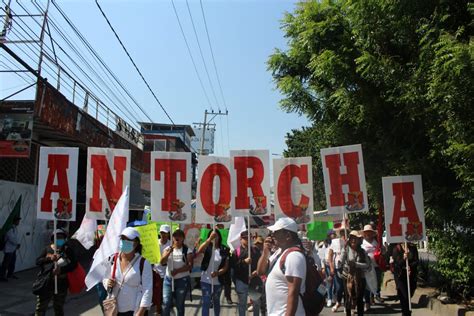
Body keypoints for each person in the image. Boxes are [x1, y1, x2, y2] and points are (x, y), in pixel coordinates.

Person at [257, 217, 306, 316]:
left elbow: (293, 292)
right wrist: (265, 252)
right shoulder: (279, 252)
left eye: (276, 232)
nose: (272, 235)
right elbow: (260, 271)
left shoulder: (294, 256)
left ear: (288, 236)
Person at [103, 227, 153, 316]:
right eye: (122, 239)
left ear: (136, 243)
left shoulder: (143, 263)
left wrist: (141, 312)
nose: (124, 241)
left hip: (134, 310)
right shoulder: (113, 259)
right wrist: (107, 282)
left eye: (128, 239)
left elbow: (147, 290)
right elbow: (104, 277)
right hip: (114, 309)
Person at [35, 229, 78, 316]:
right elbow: (38, 261)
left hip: (61, 284)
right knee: (41, 308)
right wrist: (49, 258)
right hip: (47, 282)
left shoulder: (67, 250)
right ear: (52, 239)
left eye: (61, 237)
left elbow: (74, 265)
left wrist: (61, 270)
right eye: (57, 237)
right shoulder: (47, 249)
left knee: (58, 307)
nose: (59, 239)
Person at [196, 229, 230, 316]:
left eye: (216, 236)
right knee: (206, 301)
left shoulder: (224, 249)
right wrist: (209, 240)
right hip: (205, 280)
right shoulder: (207, 247)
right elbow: (199, 251)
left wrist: (217, 273)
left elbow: (226, 267)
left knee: (216, 301)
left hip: (218, 281)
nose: (214, 238)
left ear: (219, 237)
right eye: (212, 236)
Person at [160, 229, 193, 316]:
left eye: (179, 236)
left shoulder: (187, 250)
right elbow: (162, 262)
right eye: (175, 235)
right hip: (168, 280)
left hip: (182, 281)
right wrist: (168, 253)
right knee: (166, 303)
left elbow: (190, 266)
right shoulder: (167, 249)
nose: (177, 237)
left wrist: (177, 271)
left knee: (180, 304)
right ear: (172, 238)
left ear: (183, 238)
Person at [231, 230, 262, 316]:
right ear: (241, 239)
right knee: (242, 304)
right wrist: (244, 262)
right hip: (241, 281)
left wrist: (257, 271)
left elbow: (260, 262)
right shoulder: (236, 252)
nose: (247, 240)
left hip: (254, 280)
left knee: (256, 303)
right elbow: (234, 267)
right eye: (245, 238)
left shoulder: (255, 250)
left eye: (249, 238)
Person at [341, 231, 370, 316]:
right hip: (347, 277)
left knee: (359, 298)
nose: (353, 240)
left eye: (355, 238)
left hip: (360, 277)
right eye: (352, 238)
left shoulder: (362, 251)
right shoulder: (346, 249)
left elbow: (367, 265)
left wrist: (356, 264)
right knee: (348, 297)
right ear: (349, 239)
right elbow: (340, 263)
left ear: (358, 240)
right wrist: (343, 250)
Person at [392, 243, 418, 316]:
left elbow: (416, 261)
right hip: (400, 277)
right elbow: (397, 264)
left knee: (410, 295)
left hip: (411, 276)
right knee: (404, 298)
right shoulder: (396, 249)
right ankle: (406, 313)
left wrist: (410, 267)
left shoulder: (413, 248)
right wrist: (403, 258)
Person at [361, 224, 383, 311]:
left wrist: (382, 251)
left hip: (376, 266)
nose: (368, 234)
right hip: (367, 268)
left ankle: (374, 296)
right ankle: (367, 302)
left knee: (376, 282)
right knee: (367, 285)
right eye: (366, 232)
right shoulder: (362, 243)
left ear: (372, 233)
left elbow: (383, 250)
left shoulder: (377, 242)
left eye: (370, 232)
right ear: (364, 234)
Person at [328, 229, 349, 312]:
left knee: (347, 287)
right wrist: (332, 268)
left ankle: (346, 304)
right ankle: (338, 302)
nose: (343, 234)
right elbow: (330, 256)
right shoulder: (335, 242)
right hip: (337, 268)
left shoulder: (349, 241)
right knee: (339, 287)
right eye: (341, 233)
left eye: (344, 233)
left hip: (347, 268)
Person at [152, 224, 171, 315]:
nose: (163, 235)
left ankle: (164, 310)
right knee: (157, 294)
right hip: (156, 272)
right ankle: (158, 310)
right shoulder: (155, 243)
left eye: (165, 233)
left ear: (168, 234)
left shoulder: (171, 244)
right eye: (162, 232)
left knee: (165, 295)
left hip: (167, 273)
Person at [0, 216, 21, 281]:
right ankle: (2, 276)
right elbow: (11, 238)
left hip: (13, 249)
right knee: (6, 263)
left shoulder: (15, 228)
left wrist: (17, 244)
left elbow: (16, 238)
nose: (18, 222)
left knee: (12, 262)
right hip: (9, 249)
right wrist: (17, 244)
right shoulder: (10, 228)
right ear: (14, 221)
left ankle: (10, 274)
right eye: (17, 221)